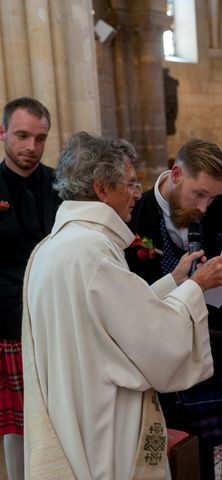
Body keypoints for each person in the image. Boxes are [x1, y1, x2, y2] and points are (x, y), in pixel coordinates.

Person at [23, 132, 222, 479]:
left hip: (76, 406)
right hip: (104, 417)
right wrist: (197, 286)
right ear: (102, 189)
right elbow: (152, 339)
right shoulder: (90, 251)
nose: (137, 193)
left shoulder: (56, 246)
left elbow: (115, 319)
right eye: (130, 183)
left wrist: (174, 282)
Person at [126, 138, 222, 479]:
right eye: (199, 194)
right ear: (176, 174)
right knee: (185, 441)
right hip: (170, 341)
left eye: (213, 197)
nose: (206, 206)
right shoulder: (139, 211)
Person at [0, 97, 59, 480]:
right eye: (22, 136)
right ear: (2, 133)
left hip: (53, 323)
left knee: (56, 419)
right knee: (16, 427)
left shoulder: (60, 186)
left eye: (40, 138)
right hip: (6, 323)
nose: (31, 148)